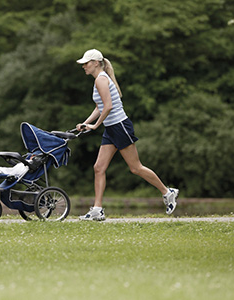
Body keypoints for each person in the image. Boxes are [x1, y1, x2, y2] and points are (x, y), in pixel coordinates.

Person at [75, 49, 179, 221]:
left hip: (120, 126)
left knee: (135, 167)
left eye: (86, 63)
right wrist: (86, 123)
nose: (84, 66)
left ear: (95, 63)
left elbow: (108, 106)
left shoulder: (101, 80)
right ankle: (97, 209)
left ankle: (168, 192)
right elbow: (99, 107)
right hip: (111, 128)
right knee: (99, 167)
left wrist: (94, 126)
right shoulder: (99, 80)